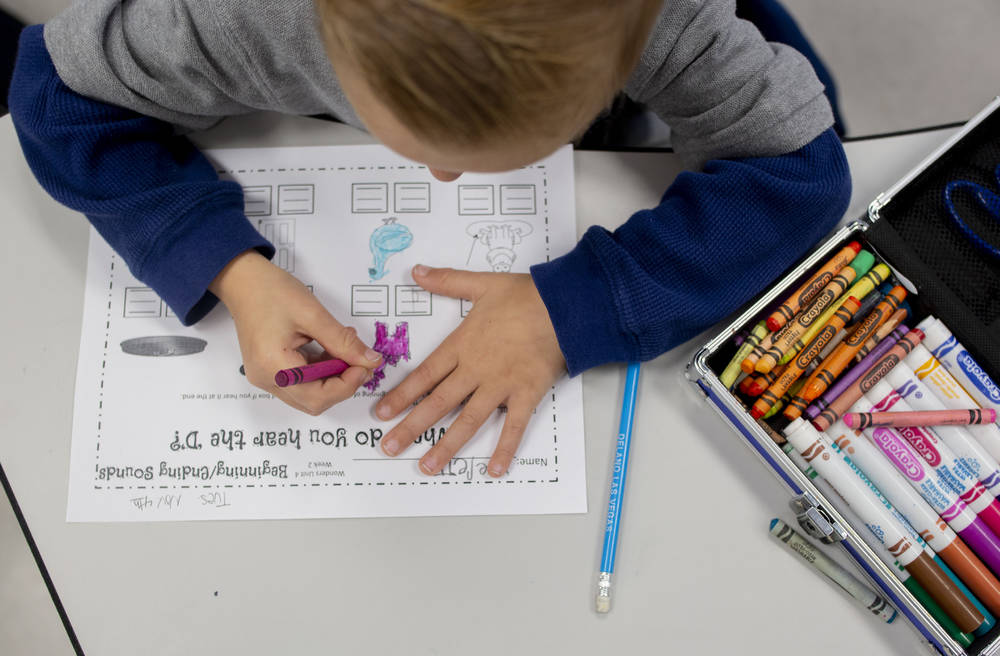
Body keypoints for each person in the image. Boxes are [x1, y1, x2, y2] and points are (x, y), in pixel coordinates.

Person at [9, 0, 851, 479]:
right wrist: (227, 265)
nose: (445, 187)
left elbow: (797, 168)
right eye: (415, 146)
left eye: (493, 158)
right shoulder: (247, 16)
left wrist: (576, 309)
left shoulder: (660, 17)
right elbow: (57, 94)